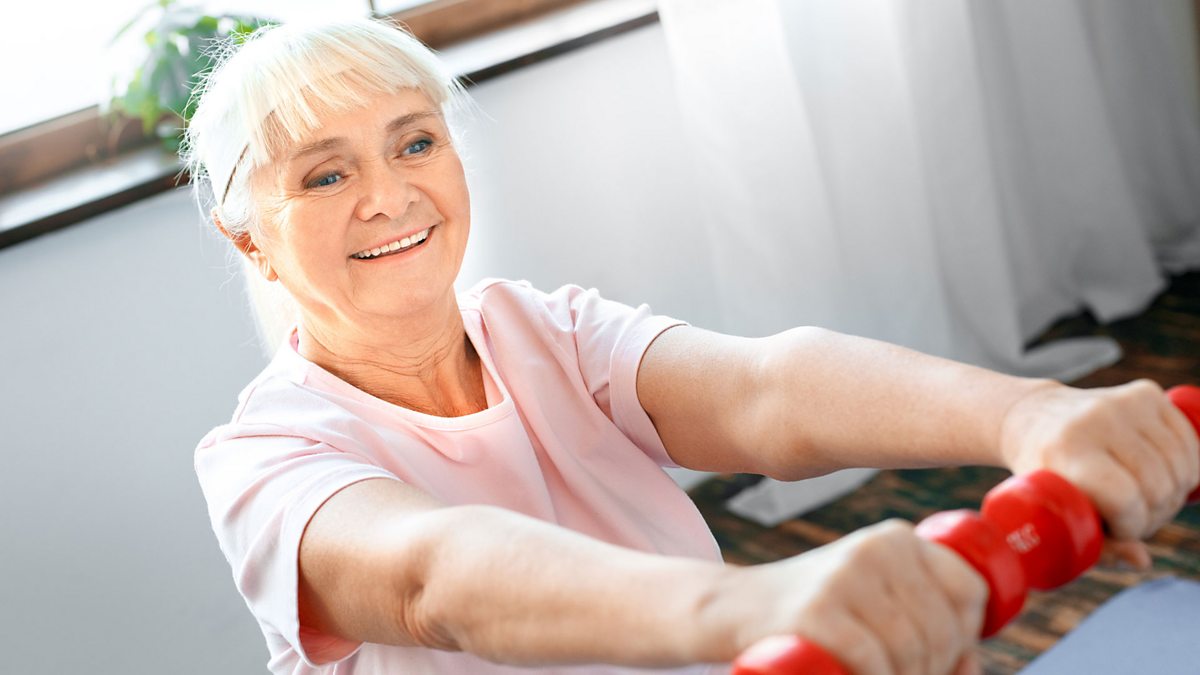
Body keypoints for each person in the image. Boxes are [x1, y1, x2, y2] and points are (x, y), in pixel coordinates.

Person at [185, 17, 1199, 675]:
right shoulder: (267, 462)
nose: (390, 195)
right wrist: (755, 599)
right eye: (324, 176)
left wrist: (1030, 413)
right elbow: (435, 579)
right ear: (247, 236)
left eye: (415, 141)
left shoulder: (544, 330)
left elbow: (770, 391)